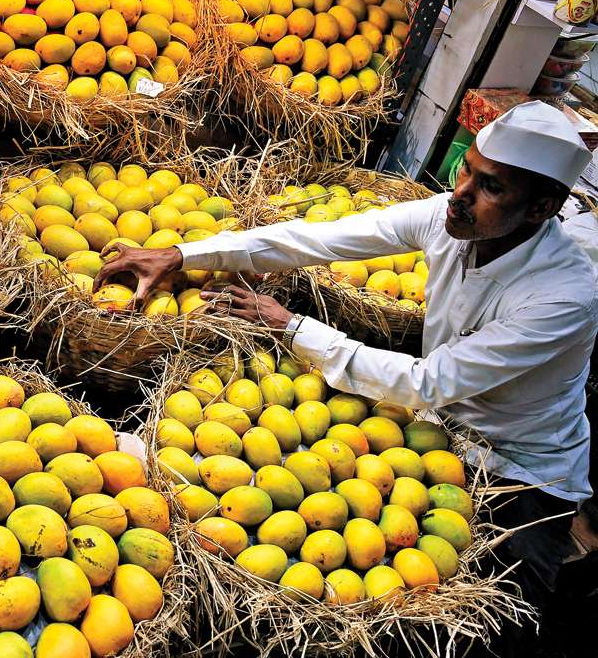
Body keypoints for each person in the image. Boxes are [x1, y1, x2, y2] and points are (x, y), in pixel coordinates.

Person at [96, 101, 597, 606]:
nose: (460, 193)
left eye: (490, 187)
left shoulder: (563, 295)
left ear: (541, 208)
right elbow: (316, 239)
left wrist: (292, 326)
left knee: (507, 605)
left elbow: (431, 380)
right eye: (466, 167)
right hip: (430, 427)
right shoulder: (448, 218)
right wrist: (185, 254)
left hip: (520, 465)